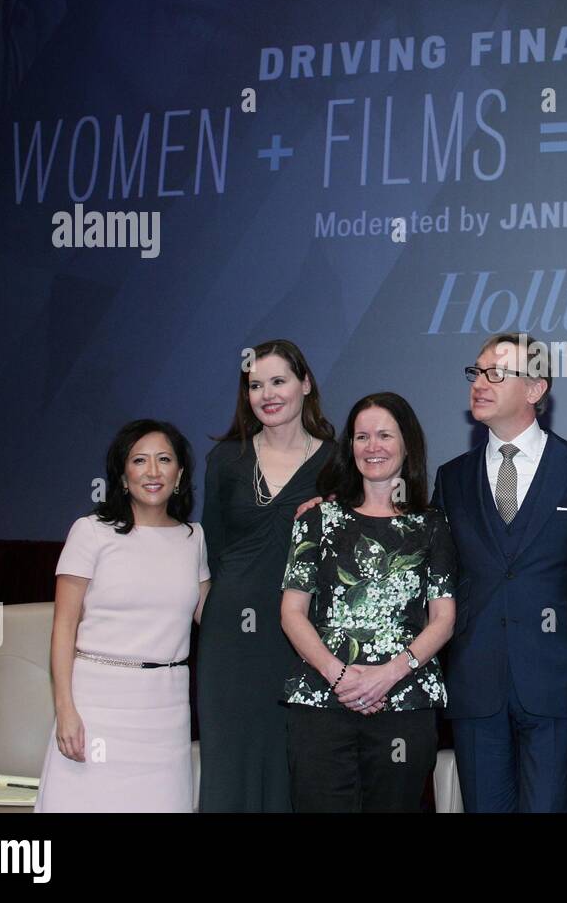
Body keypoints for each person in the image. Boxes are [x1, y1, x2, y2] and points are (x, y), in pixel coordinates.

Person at [432, 333, 567, 812]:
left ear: (536, 389)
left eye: (497, 372)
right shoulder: (451, 477)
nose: (480, 383)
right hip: (475, 683)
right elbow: (436, 574)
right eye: (477, 372)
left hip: (555, 683)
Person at [280, 392, 456, 812]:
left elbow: (443, 619)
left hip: (404, 703)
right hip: (322, 701)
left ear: (407, 445)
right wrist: (340, 677)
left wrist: (387, 676)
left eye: (384, 435)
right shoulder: (317, 520)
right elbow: (291, 612)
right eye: (362, 436)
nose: (372, 447)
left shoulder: (432, 526)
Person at [36, 420, 209, 812]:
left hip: (166, 712)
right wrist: (65, 710)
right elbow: (63, 626)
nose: (152, 471)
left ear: (179, 473)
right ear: (122, 474)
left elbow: (213, 618)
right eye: (140, 460)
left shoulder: (192, 538)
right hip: (97, 705)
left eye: (164, 460)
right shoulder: (91, 532)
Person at [197, 339, 337, 812]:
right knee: (228, 757)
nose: (267, 394)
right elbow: (212, 551)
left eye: (278, 381)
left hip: (301, 631)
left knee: (288, 758)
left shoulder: (337, 462)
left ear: (306, 384)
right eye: (256, 385)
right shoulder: (225, 460)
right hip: (229, 633)